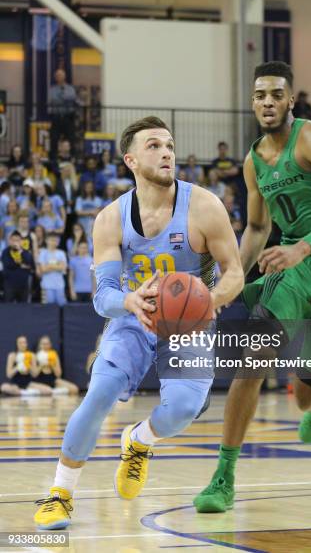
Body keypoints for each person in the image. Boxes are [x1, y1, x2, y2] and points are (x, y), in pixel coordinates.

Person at [34, 115, 244, 530]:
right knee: (100, 394)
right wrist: (130, 300)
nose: (166, 151)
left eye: (169, 144)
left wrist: (209, 301)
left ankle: (139, 440)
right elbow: (103, 294)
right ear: (130, 159)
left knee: (183, 408)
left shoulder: (204, 205)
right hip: (137, 316)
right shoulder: (110, 218)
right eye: (153, 145)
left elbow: (234, 271)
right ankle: (60, 493)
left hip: (190, 323)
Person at [193, 61, 311, 513]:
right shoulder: (253, 161)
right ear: (252, 102)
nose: (268, 102)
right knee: (251, 362)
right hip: (291, 268)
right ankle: (223, 477)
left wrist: (305, 248)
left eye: (276, 94)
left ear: (291, 100)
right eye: (260, 95)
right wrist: (228, 279)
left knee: (305, 396)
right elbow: (256, 228)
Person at [48, 69, 78, 160]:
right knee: (54, 139)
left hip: (68, 117)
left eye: (61, 75)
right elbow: (52, 99)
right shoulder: (52, 89)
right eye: (57, 76)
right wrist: (65, 98)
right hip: (56, 117)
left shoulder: (70, 88)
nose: (59, 77)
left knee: (71, 139)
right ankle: (53, 158)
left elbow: (72, 97)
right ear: (55, 78)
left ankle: (72, 158)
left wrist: (61, 97)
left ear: (64, 77)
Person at [1, 231, 34, 302]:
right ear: (9, 241)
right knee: (8, 307)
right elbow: (8, 264)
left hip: (23, 285)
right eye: (13, 240)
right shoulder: (5, 252)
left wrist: (20, 250)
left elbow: (29, 263)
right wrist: (21, 264)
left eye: (18, 240)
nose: (15, 242)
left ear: (21, 241)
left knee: (23, 308)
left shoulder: (25, 252)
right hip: (9, 285)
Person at [37, 232, 67, 305]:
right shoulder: (42, 253)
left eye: (55, 240)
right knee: (49, 307)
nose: (53, 242)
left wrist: (49, 265)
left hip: (60, 285)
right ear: (46, 240)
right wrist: (57, 265)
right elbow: (43, 269)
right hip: (47, 285)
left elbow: (63, 268)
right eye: (51, 240)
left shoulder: (61, 253)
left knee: (62, 306)